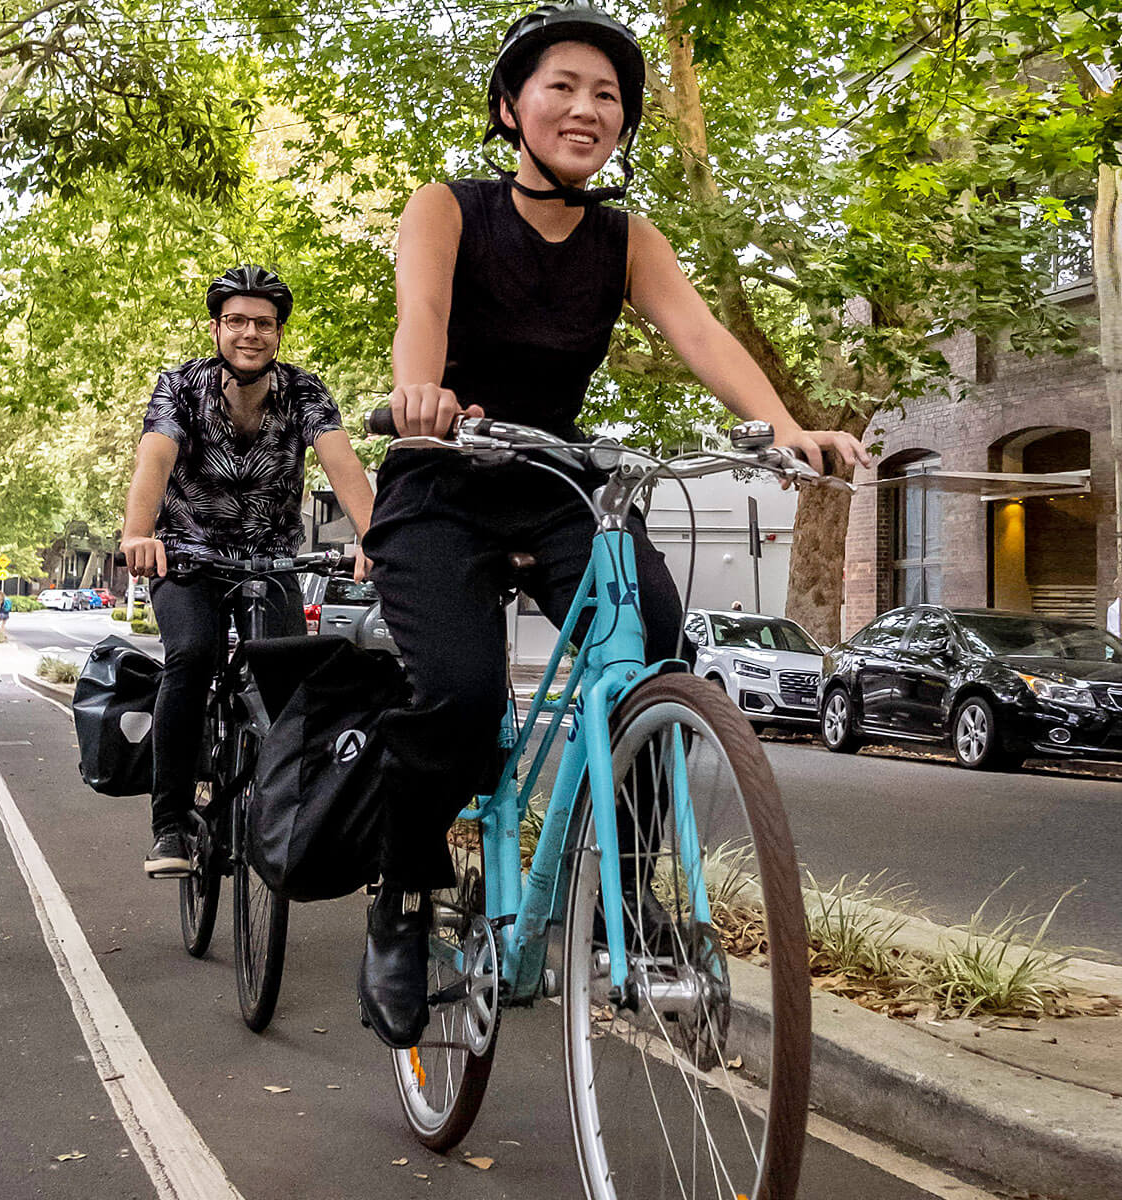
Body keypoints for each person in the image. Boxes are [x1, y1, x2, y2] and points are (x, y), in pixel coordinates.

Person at [356, 2, 871, 1048]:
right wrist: (420, 396)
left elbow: (698, 330)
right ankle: (402, 897)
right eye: (561, 86)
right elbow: (422, 316)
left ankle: (629, 897)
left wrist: (783, 429)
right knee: (455, 698)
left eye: (606, 96)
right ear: (511, 108)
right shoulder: (447, 207)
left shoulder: (628, 240)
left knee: (650, 657)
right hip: (441, 476)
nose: (585, 108)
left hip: (555, 481)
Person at [122, 265, 377, 878]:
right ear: (216, 329)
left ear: (278, 333)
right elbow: (153, 460)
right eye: (236, 321)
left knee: (290, 685)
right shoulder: (180, 387)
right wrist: (139, 532)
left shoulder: (305, 391)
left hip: (273, 561)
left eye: (263, 323)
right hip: (188, 557)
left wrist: (376, 538)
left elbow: (343, 463)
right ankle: (172, 826)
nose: (250, 333)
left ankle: (289, 817)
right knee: (191, 657)